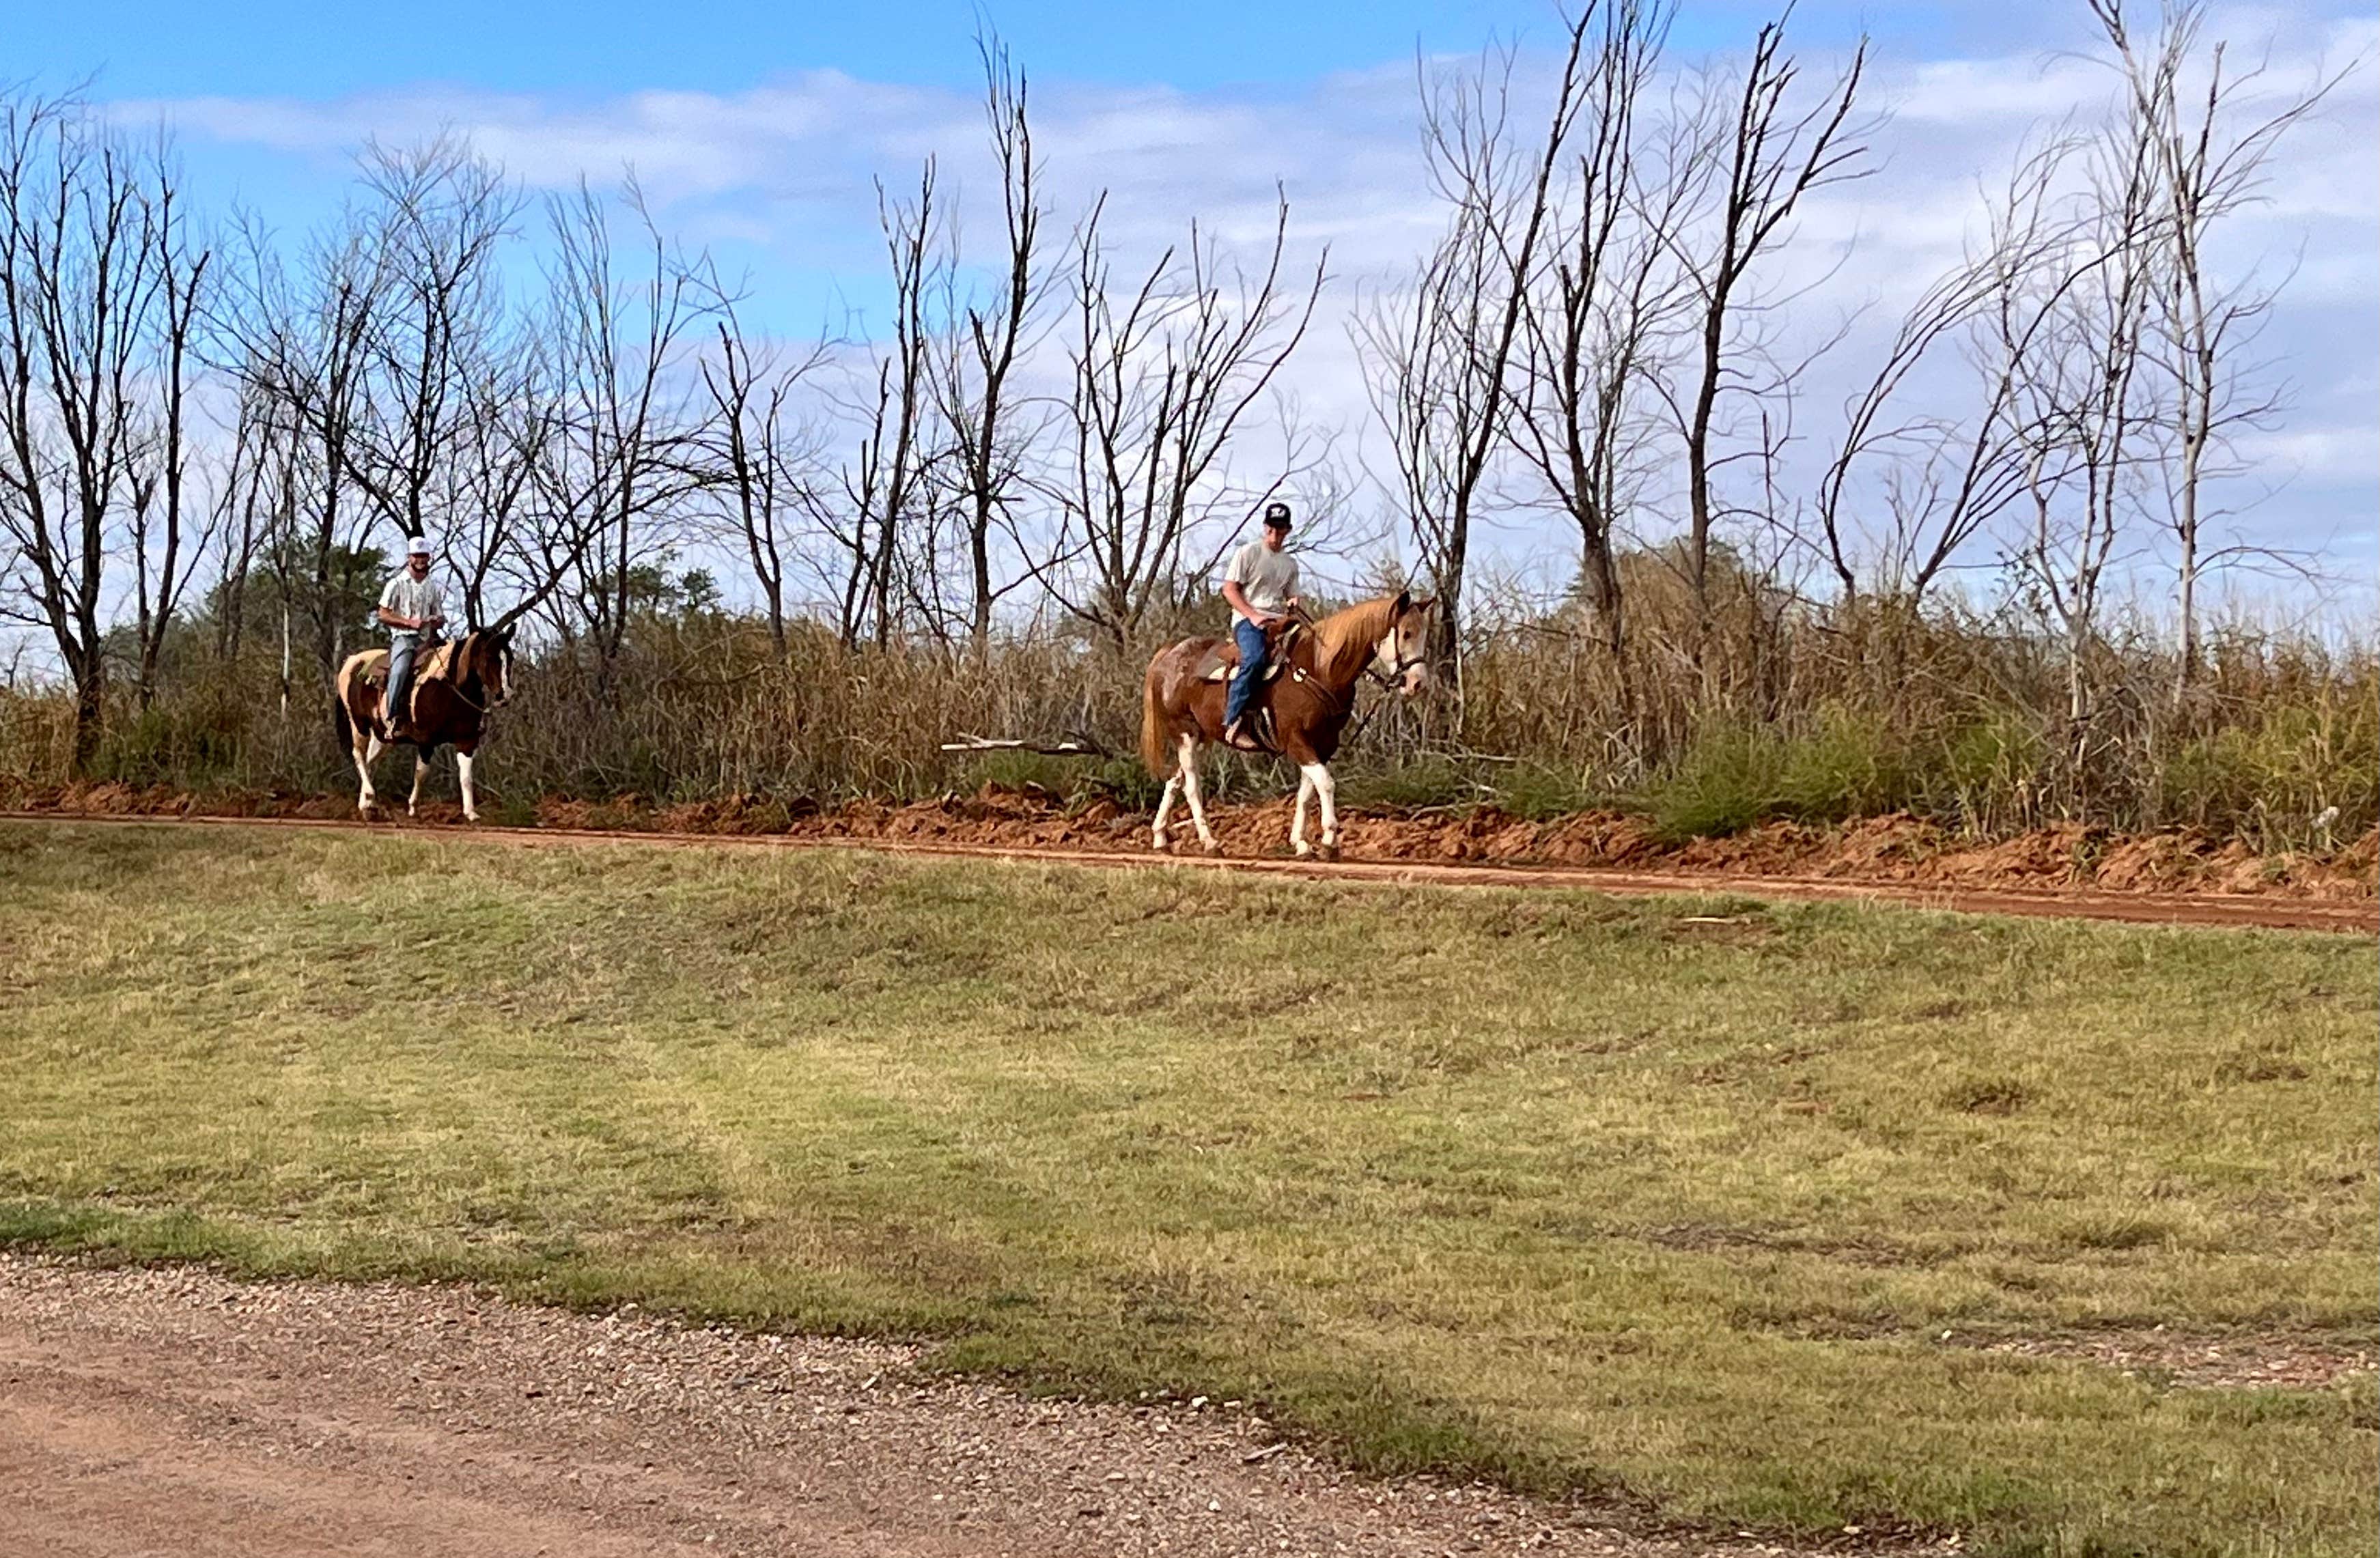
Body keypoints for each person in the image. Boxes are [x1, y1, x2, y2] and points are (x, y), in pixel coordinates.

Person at [1220, 501, 1302, 750]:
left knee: (1308, 656)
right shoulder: (1248, 553)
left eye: (1281, 529)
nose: (1275, 534)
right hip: (1248, 620)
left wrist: (1293, 601)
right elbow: (1229, 589)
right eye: (1271, 528)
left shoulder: (1290, 564)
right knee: (1255, 659)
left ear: (1288, 530)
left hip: (1279, 621)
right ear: (1265, 527)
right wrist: (1252, 615)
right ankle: (1233, 721)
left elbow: (1291, 594)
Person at [374, 535, 448, 739]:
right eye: (417, 556)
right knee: (399, 670)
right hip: (404, 638)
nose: (421, 560)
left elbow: (440, 614)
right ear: (409, 558)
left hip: (429, 639)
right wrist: (408, 622)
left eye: (424, 556)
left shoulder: (432, 586)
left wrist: (437, 620)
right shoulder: (396, 584)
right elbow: (383, 614)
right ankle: (393, 715)